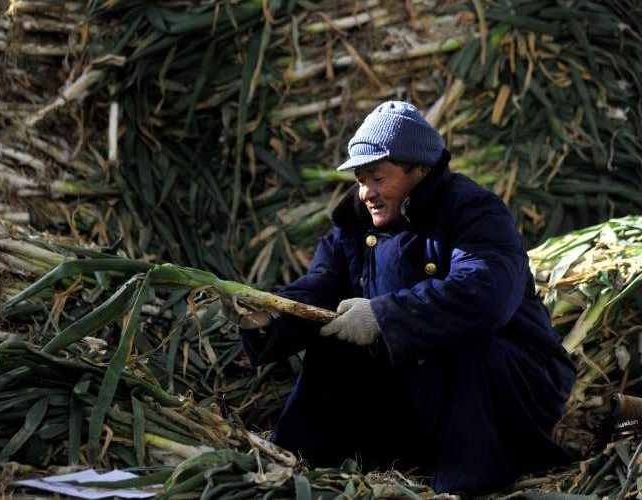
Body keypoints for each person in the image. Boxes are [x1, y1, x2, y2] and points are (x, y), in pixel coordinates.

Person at [234, 101, 576, 494]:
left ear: (419, 169)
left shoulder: (475, 212)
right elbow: (321, 286)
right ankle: (289, 469)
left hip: (511, 382)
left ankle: (461, 487)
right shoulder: (355, 226)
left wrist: (384, 315)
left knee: (469, 350)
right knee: (333, 346)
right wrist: (268, 314)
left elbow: (484, 295)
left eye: (377, 178)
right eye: (360, 180)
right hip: (420, 381)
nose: (366, 193)